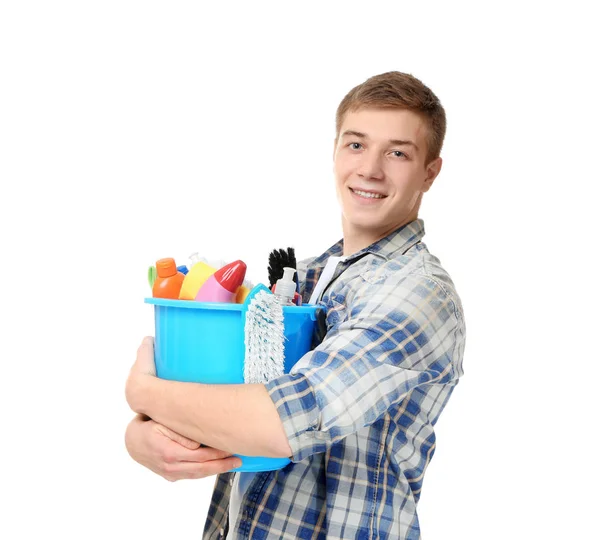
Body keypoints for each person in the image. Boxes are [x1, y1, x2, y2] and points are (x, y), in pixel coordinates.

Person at [125, 71, 466, 539]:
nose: (370, 168)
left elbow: (284, 422)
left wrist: (142, 394)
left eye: (398, 152)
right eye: (356, 145)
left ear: (430, 171)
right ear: (334, 152)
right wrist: (144, 434)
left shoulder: (417, 292)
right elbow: (220, 398)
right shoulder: (303, 279)